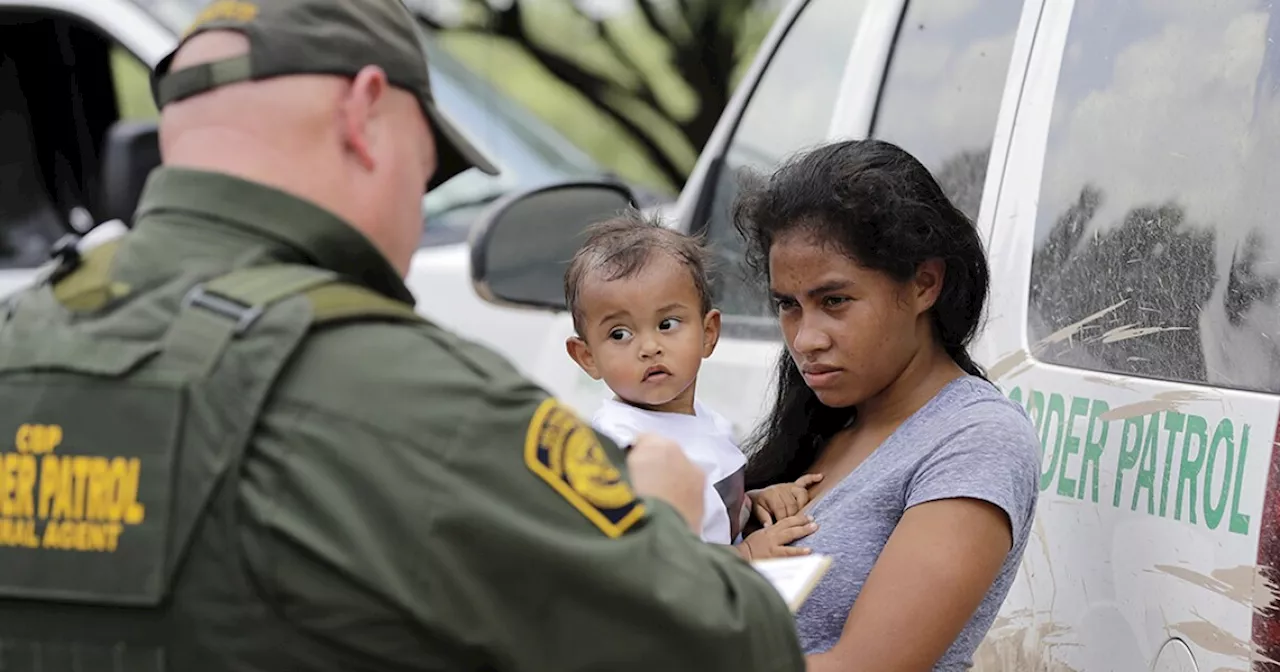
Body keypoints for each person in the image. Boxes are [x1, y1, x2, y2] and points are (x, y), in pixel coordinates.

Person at [0, 1, 806, 670]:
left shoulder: (18, 341)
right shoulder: (409, 393)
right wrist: (667, 521)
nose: (416, 214)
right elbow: (728, 644)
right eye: (424, 174)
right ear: (364, 114)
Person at [731, 139, 1041, 671]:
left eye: (835, 301)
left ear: (924, 283)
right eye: (788, 305)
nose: (805, 338)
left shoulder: (974, 439)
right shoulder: (820, 423)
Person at [563, 211, 818, 558]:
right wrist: (747, 555)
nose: (649, 347)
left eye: (667, 324)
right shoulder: (624, 448)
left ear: (708, 333)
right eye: (619, 333)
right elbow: (658, 561)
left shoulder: (704, 421)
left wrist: (754, 502)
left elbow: (707, 514)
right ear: (587, 356)